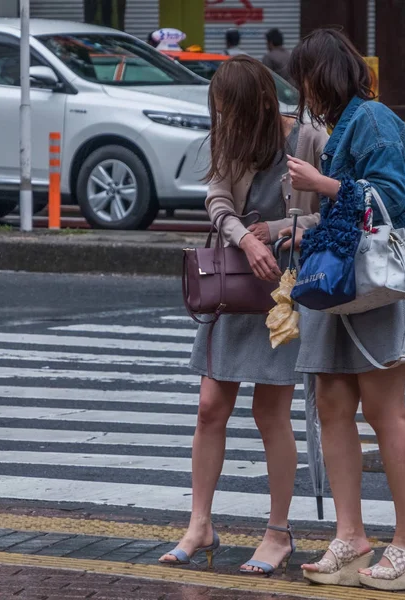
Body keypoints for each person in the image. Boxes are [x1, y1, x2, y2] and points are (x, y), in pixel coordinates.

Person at [279, 28, 405, 591]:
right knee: (332, 400)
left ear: (321, 74)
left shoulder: (373, 118)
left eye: (303, 77)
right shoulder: (347, 122)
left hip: (377, 279)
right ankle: (350, 535)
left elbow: (399, 200)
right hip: (344, 279)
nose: (300, 90)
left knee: (383, 409)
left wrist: (324, 184)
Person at [158, 55, 327, 575]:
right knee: (211, 404)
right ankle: (200, 524)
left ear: (258, 103)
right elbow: (217, 201)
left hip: (284, 292)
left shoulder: (308, 138)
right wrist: (242, 239)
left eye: (230, 111)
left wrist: (277, 231)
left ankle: (278, 532)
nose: (223, 123)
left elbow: (337, 207)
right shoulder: (233, 137)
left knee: (269, 412)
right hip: (234, 285)